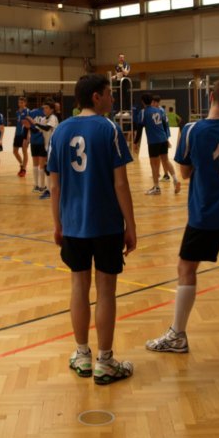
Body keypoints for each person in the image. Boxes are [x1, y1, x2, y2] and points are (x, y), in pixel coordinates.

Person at [145, 77, 219, 357]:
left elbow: (184, 173)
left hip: (206, 213)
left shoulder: (192, 130)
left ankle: (178, 334)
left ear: (211, 97)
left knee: (186, 268)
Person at [48, 73, 137, 385]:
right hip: (107, 225)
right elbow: (121, 183)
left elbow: (54, 186)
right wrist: (131, 226)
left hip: (73, 225)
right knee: (106, 291)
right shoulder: (109, 129)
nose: (112, 98)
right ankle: (105, 361)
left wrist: (57, 223)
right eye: (109, 93)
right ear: (96, 97)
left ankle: (82, 355)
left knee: (78, 287)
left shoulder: (60, 131)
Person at [143, 94, 180, 195]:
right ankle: (175, 179)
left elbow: (159, 125)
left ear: (155, 102)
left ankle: (157, 186)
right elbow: (163, 125)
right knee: (165, 160)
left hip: (155, 140)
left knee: (154, 163)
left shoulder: (150, 111)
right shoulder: (161, 110)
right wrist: (166, 138)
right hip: (163, 138)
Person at [29, 100, 59, 199]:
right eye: (43, 108)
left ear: (52, 109)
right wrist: (29, 126)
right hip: (47, 146)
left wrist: (35, 123)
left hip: (53, 146)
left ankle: (51, 190)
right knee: (47, 168)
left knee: (50, 169)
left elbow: (47, 128)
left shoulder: (53, 118)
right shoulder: (43, 119)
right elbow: (36, 130)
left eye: (46, 108)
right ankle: (49, 189)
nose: (44, 110)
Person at [13, 96, 30, 177]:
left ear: (25, 103)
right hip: (17, 134)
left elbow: (29, 124)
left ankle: (24, 169)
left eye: (22, 102)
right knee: (15, 151)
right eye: (19, 102)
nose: (20, 104)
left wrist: (28, 136)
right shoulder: (17, 112)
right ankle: (21, 164)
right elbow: (18, 123)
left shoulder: (27, 111)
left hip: (25, 134)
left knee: (24, 151)